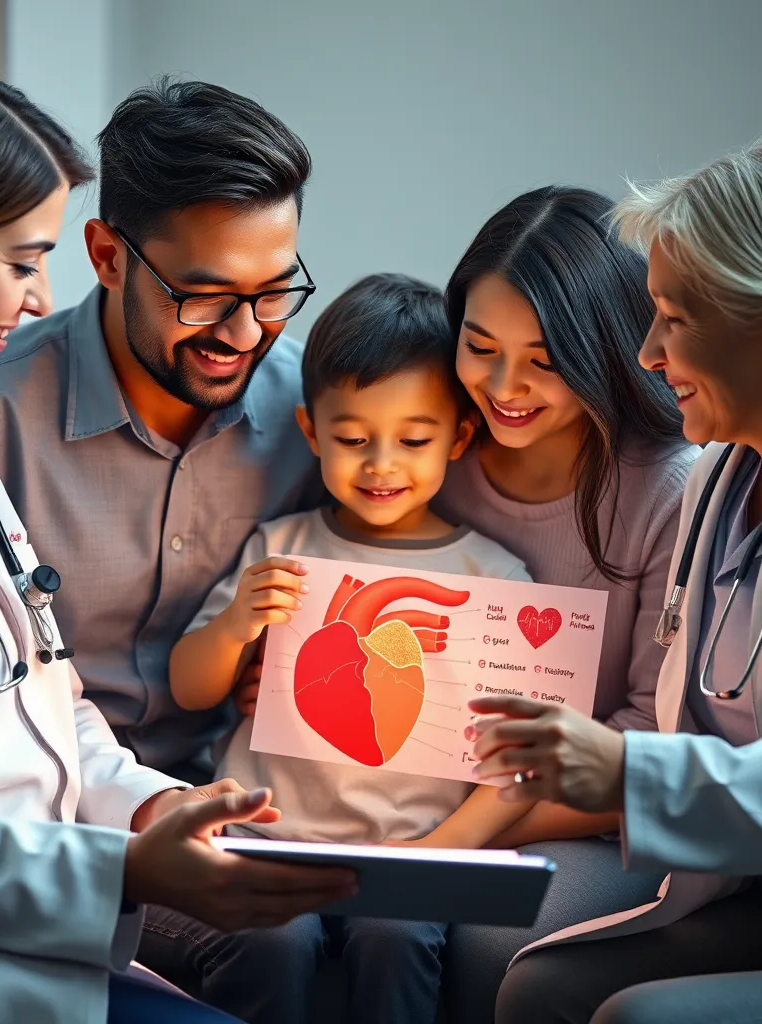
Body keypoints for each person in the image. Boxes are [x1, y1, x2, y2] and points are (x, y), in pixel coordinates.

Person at [0, 53, 355, 1024]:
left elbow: (47, 701)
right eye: (24, 263)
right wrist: (122, 866)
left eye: (273, 291)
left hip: (44, 912)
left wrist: (159, 810)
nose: (39, 297)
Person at [470, 136, 762, 1024]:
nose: (646, 352)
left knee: (632, 1019)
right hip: (761, 894)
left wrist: (626, 771)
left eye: (674, 320)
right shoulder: (721, 480)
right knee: (538, 987)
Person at [153, 274, 533, 1024]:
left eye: (414, 440)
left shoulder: (494, 578)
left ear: (459, 436)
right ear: (310, 432)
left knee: (396, 939)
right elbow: (187, 687)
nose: (381, 464)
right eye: (353, 439)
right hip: (269, 839)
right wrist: (235, 629)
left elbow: (519, 758)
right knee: (271, 945)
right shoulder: (284, 548)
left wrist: (444, 851)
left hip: (409, 854)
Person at [0, 77, 324, 786]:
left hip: (241, 796)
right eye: (204, 296)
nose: (246, 332)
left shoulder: (318, 419)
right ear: (106, 258)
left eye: (275, 292)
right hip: (34, 803)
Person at [430, 186, 699, 1022]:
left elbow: (645, 734)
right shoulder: (429, 444)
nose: (504, 386)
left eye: (545, 360)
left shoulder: (669, 485)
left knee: (482, 932)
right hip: (413, 783)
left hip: (581, 816)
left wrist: (447, 846)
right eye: (480, 347)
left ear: (607, 348)